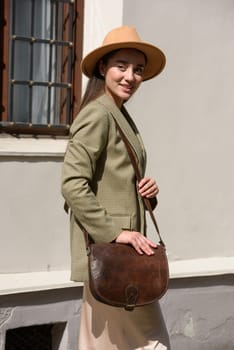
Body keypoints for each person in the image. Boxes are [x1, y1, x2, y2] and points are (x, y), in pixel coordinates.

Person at [61, 26, 170, 349]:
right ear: (102, 68)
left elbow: (113, 180)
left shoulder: (117, 113)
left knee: (106, 344)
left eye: (137, 70)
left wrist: (148, 192)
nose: (130, 77)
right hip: (112, 253)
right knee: (151, 342)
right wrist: (114, 232)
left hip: (122, 256)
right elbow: (71, 183)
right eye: (121, 66)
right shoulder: (98, 115)